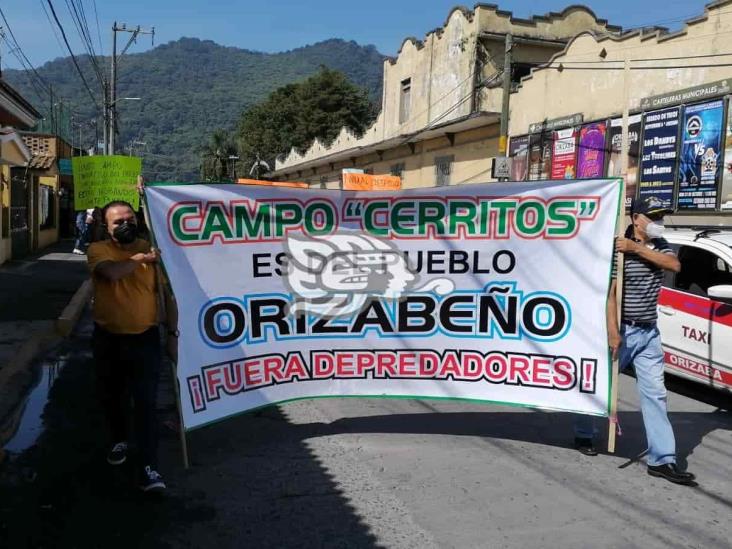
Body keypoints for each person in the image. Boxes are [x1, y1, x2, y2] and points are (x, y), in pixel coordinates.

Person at [574, 196, 696, 486]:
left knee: (656, 394)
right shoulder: (618, 250)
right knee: (600, 383)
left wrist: (637, 248)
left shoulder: (657, 246)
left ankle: (662, 459)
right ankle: (584, 432)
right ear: (636, 218)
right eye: (653, 217)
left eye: (661, 216)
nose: (658, 223)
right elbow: (610, 293)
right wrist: (612, 331)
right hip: (623, 331)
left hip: (648, 333)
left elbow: (673, 265)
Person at [87, 200, 167, 492]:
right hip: (108, 339)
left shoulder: (153, 248)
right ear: (107, 228)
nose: (126, 225)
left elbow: (165, 292)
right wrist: (141, 259)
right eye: (118, 221)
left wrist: (172, 332)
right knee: (113, 396)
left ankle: (150, 468)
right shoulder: (98, 251)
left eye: (130, 219)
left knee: (146, 403)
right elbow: (111, 274)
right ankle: (119, 440)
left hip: (145, 339)